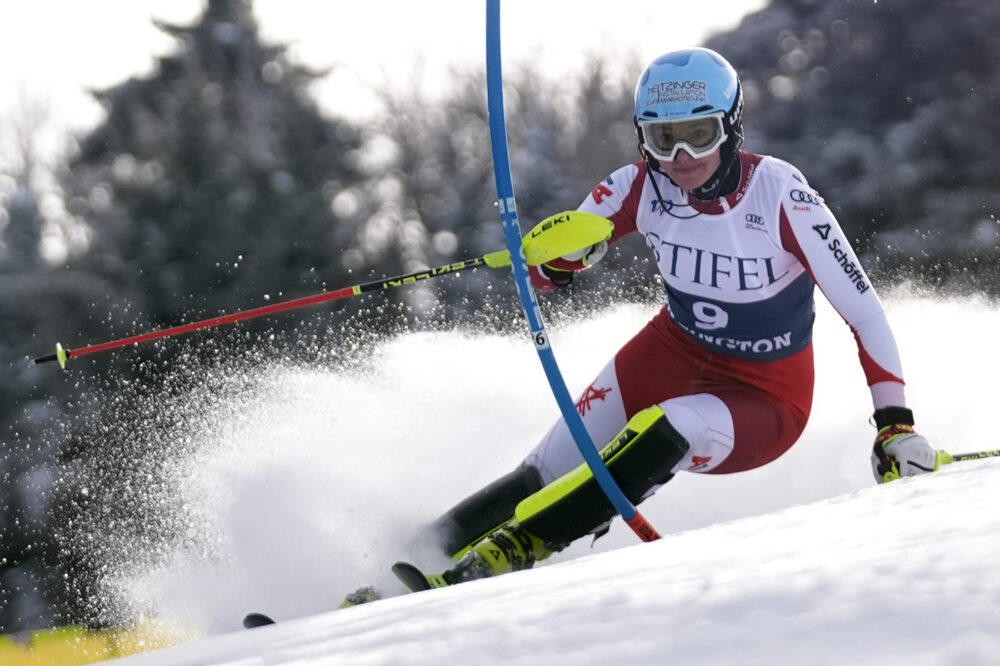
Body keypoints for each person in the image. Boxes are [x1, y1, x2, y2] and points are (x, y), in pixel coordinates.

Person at [410, 47, 943, 588]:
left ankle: (512, 550)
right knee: (543, 471)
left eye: (700, 134)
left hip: (763, 396)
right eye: (664, 139)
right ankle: (414, 557)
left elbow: (865, 314)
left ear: (732, 127)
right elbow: (546, 272)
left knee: (672, 426)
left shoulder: (784, 197)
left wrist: (894, 426)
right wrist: (555, 260)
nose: (683, 157)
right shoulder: (640, 185)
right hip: (671, 354)